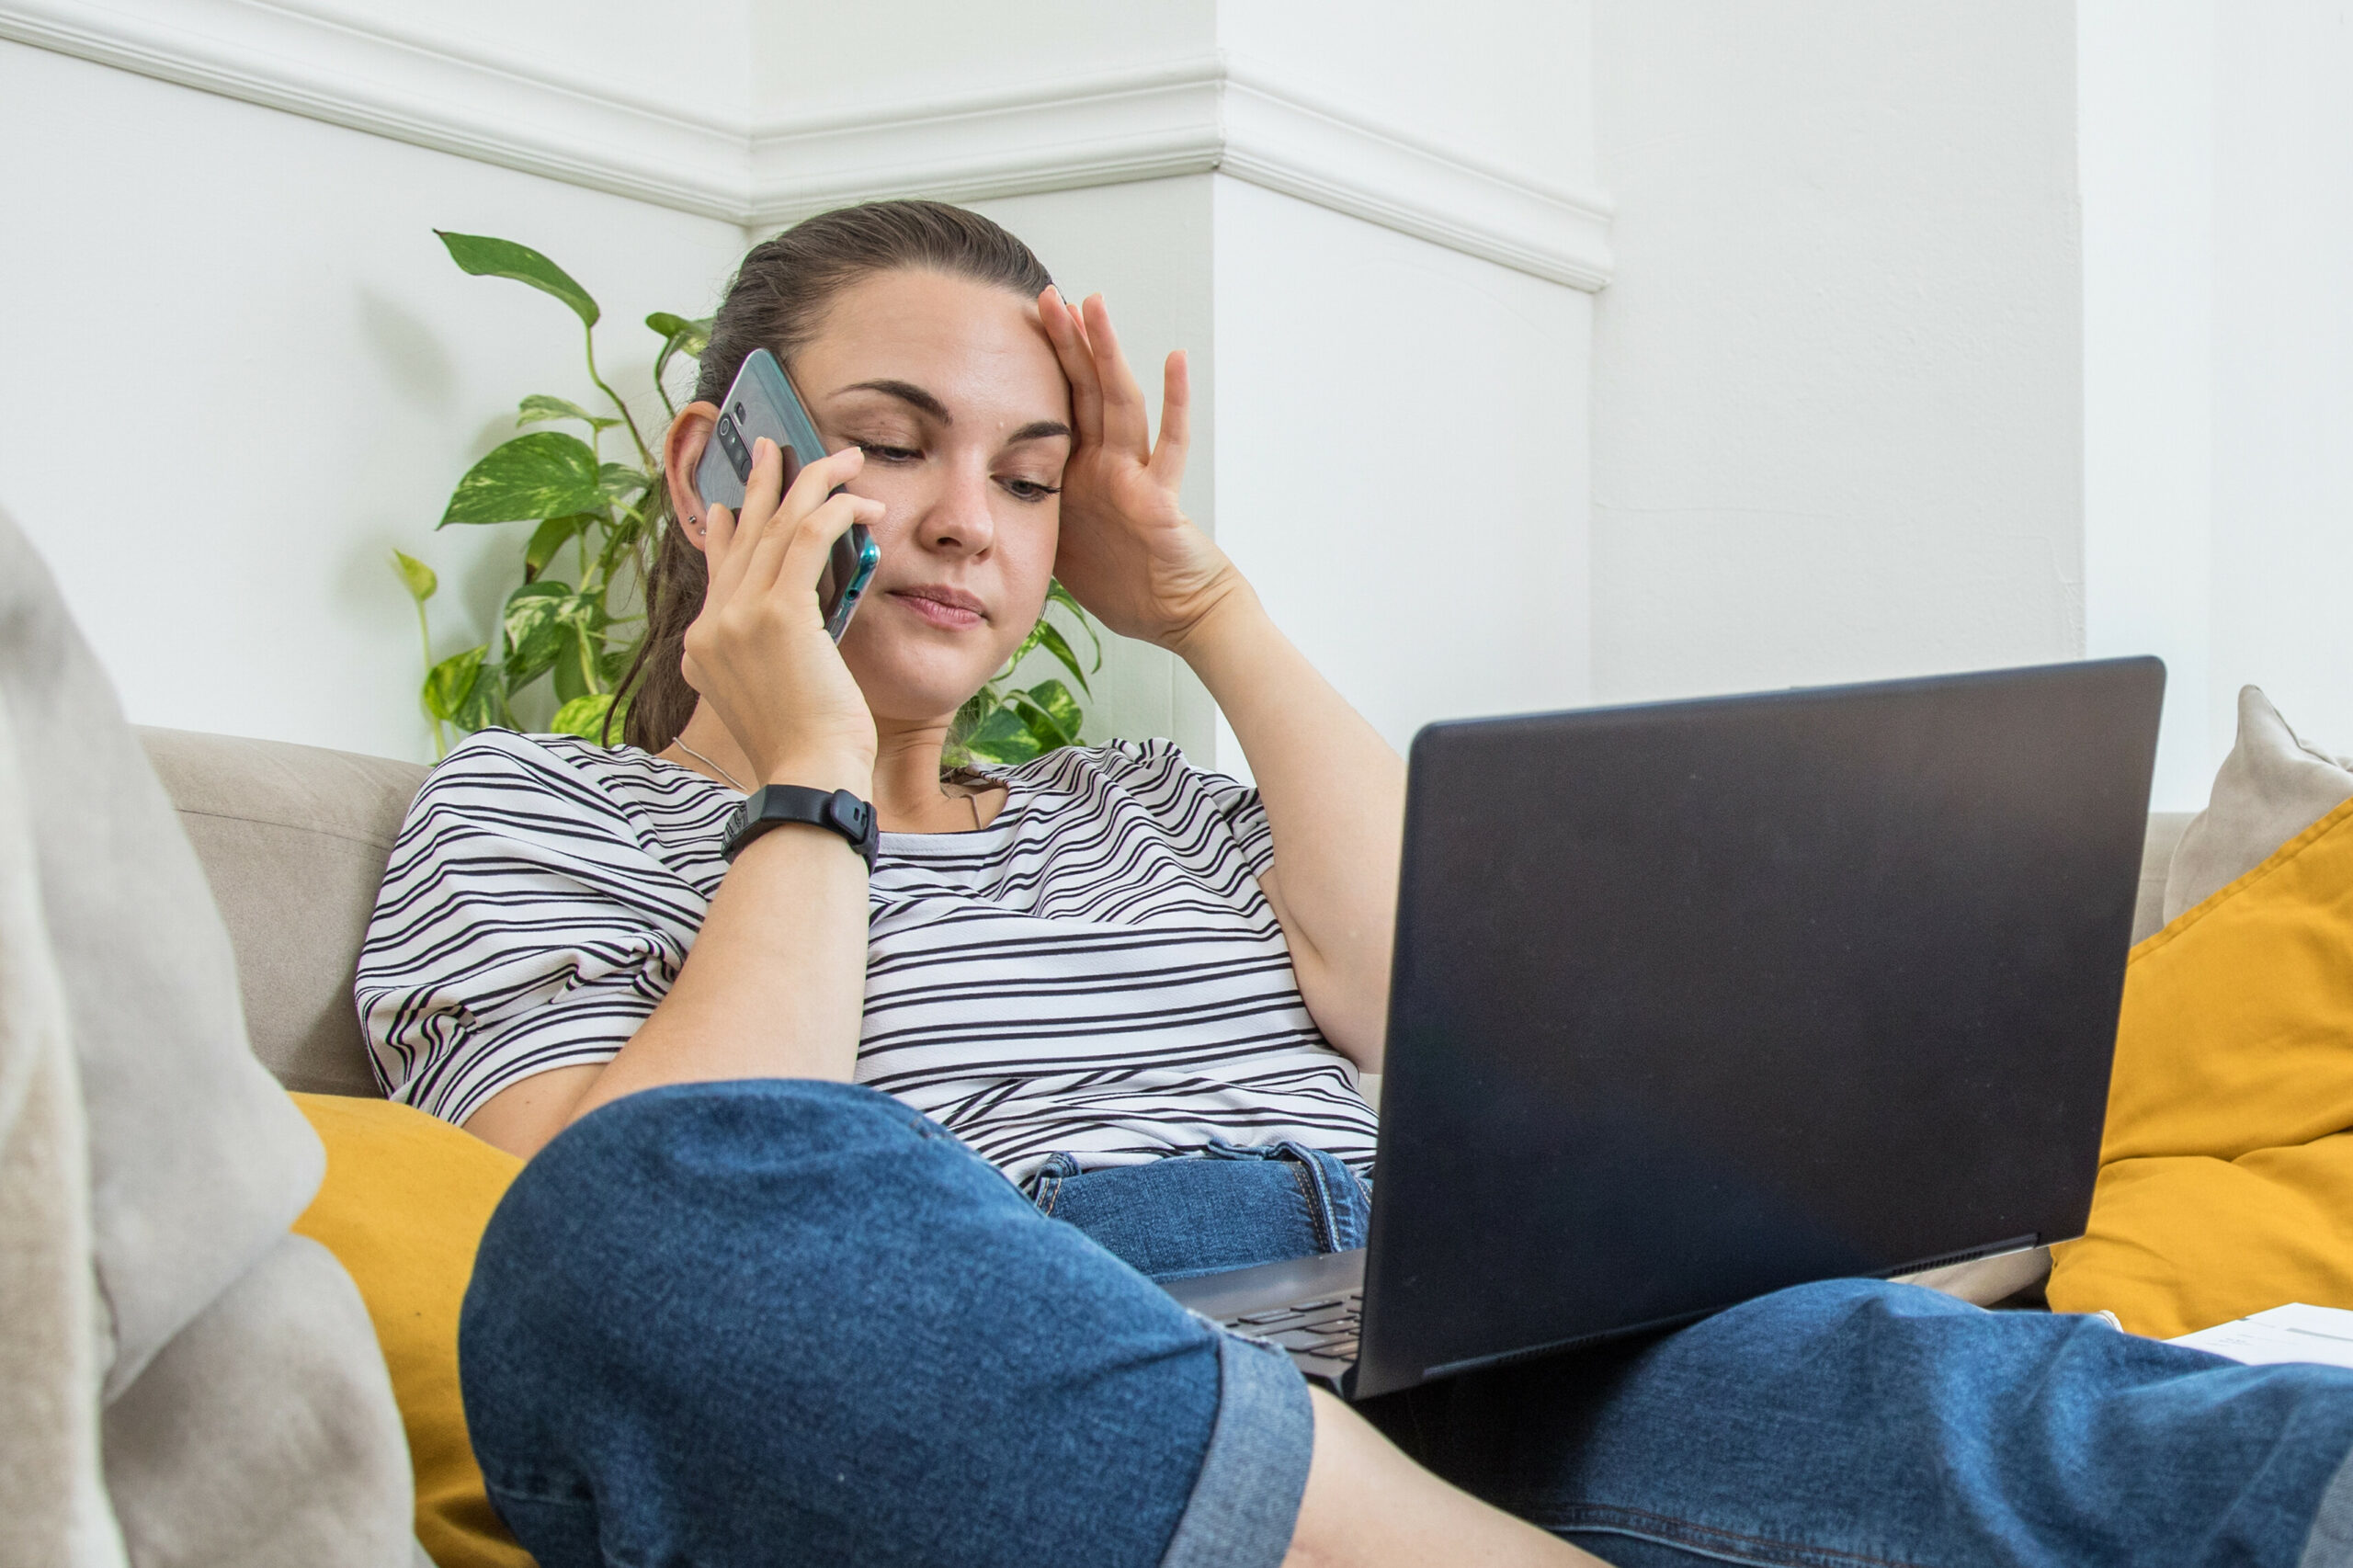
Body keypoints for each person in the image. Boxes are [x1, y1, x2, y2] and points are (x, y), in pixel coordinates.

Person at [358, 201, 2353, 1568]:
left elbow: (1441, 1024)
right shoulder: (535, 809)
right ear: (721, 466)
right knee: (621, 1246)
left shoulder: (1146, 796)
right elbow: (655, 1191)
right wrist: (806, 769)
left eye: (1032, 478)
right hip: (1057, 1357)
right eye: (894, 446)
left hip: (1436, 1316)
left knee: (2045, 1425)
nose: (972, 522)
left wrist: (1201, 599)